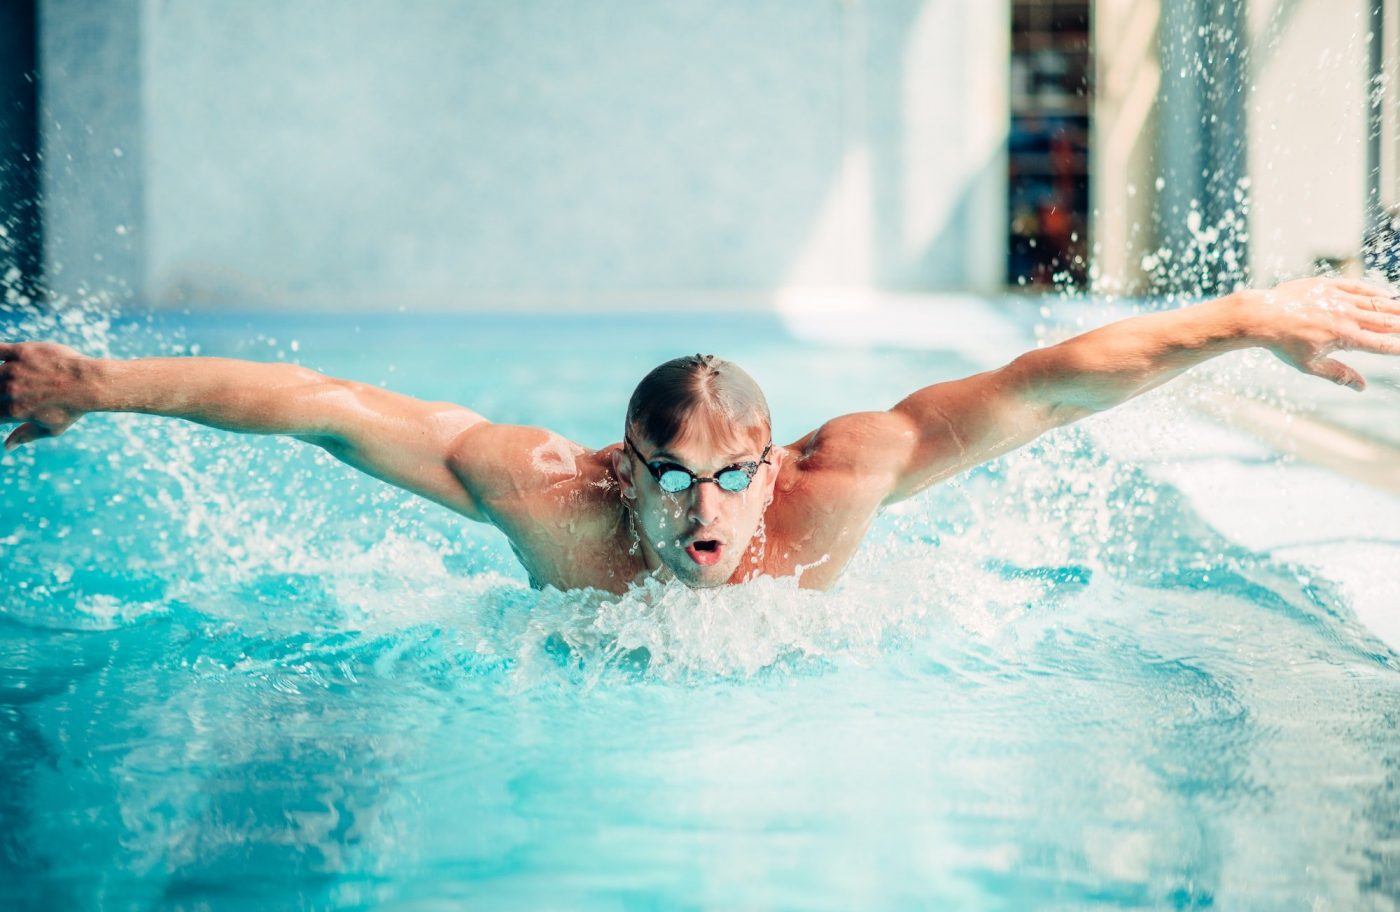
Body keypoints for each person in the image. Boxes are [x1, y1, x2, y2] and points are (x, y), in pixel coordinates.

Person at [2, 277, 1397, 593]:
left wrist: (1239, 317)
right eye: (668, 480)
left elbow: (1045, 384)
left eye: (732, 476)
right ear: (622, 470)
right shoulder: (552, 500)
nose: (702, 515)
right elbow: (330, 410)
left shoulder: (839, 487)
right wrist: (104, 386)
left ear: (778, 467)